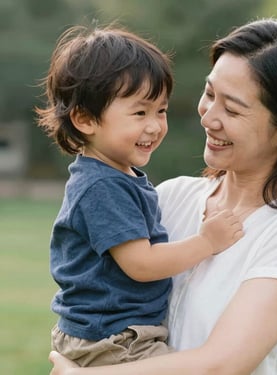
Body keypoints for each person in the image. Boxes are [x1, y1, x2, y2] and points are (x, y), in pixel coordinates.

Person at [48, 17, 277, 375]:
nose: (208, 117)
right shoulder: (169, 197)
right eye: (210, 94)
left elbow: (222, 365)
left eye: (232, 109)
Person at [35, 25, 244, 367]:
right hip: (111, 340)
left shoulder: (117, 176)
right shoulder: (101, 186)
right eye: (139, 112)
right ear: (85, 119)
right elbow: (141, 264)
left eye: (160, 111)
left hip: (115, 333)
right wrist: (207, 241)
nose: (155, 126)